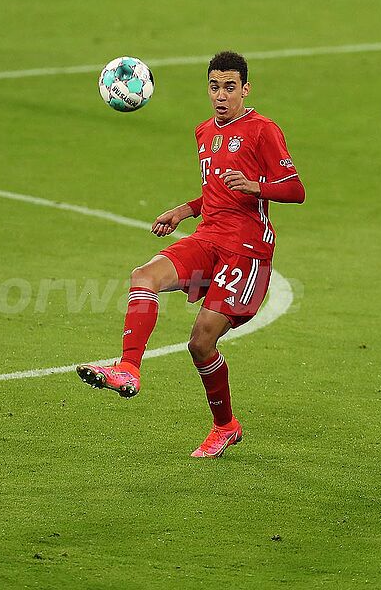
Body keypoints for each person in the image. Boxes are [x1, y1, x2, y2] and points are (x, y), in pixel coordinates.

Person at [77, 51, 306, 458]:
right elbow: (216, 190)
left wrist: (256, 186)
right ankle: (128, 368)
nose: (221, 95)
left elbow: (295, 189)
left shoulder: (263, 130)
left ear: (246, 89)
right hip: (207, 237)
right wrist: (184, 210)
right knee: (144, 275)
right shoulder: (203, 131)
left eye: (230, 87)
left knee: (201, 343)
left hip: (246, 251)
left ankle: (225, 426)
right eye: (215, 87)